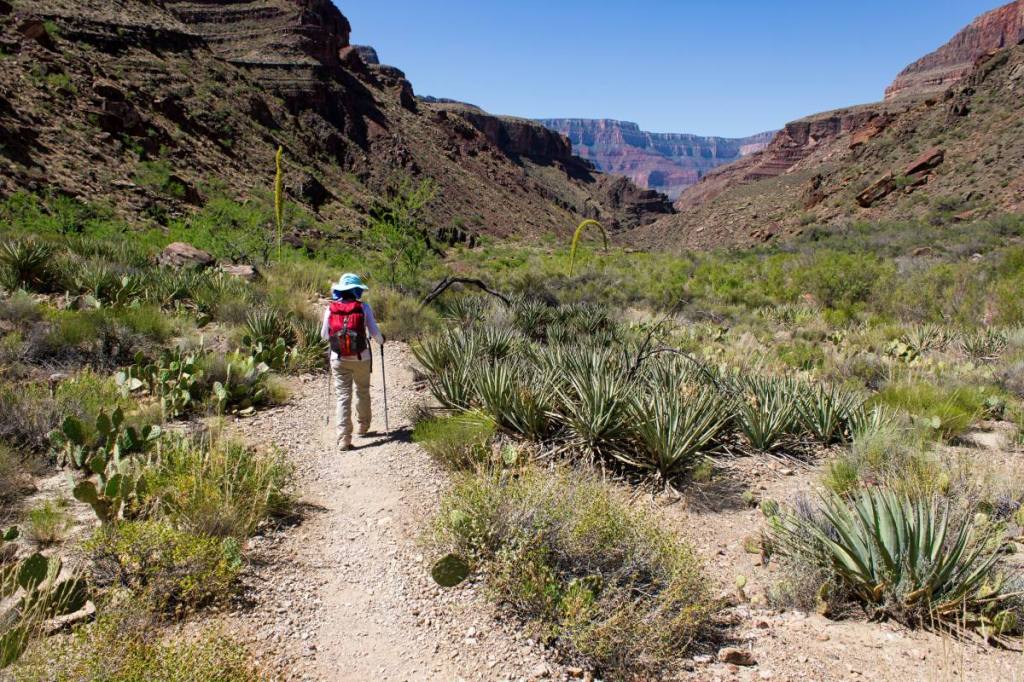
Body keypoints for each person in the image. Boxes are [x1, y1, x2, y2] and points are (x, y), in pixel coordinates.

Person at [320, 273, 384, 450]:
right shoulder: (363, 307)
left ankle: (343, 439)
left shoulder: (331, 308)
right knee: (362, 391)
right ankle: (363, 427)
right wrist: (381, 341)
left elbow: (324, 335)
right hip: (361, 357)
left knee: (343, 396)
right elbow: (374, 332)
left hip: (338, 358)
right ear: (356, 291)